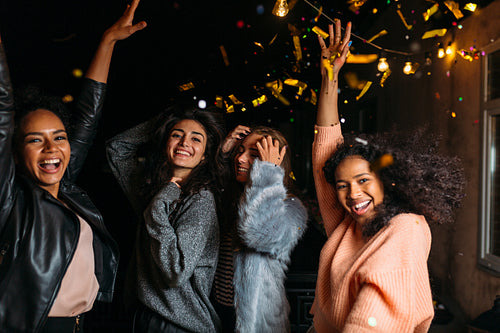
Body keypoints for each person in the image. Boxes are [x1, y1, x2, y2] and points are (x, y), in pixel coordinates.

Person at [309, 20, 466, 332]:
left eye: (364, 180)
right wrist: (330, 76)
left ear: (387, 180)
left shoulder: (405, 227)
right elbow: (325, 153)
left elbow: (372, 318)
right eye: (343, 185)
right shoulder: (346, 225)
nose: (353, 193)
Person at [0, 1, 146, 332]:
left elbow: (88, 116)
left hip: (79, 325)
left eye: (59, 137)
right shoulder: (12, 199)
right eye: (35, 140)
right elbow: (2, 107)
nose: (52, 148)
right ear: (14, 151)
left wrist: (108, 41)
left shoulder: (66, 188)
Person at [106, 104, 225, 332]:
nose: (184, 143)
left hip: (177, 324)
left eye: (196, 139)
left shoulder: (200, 199)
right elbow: (116, 148)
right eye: (177, 135)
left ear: (205, 156)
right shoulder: (151, 190)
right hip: (143, 314)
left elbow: (176, 272)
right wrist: (166, 122)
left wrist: (158, 207)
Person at [213, 125, 308, 332]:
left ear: (274, 163)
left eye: (254, 155)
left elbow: (258, 233)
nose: (240, 159)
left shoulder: (292, 207)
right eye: (240, 151)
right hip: (216, 313)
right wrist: (222, 154)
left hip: (256, 322)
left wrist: (267, 173)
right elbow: (210, 183)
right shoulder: (231, 198)